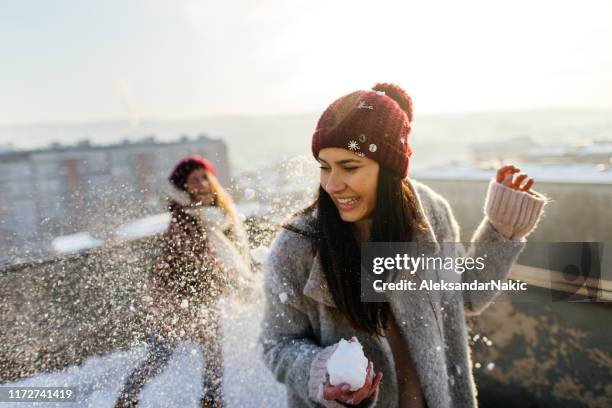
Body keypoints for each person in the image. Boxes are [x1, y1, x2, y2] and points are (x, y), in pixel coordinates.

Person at [260, 83, 548, 407]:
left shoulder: (431, 215)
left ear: (389, 169)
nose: (332, 184)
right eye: (325, 167)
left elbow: (463, 298)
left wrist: (501, 231)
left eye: (350, 167)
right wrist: (322, 373)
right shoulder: (297, 246)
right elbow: (277, 344)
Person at [115, 155, 251, 408]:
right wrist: (232, 281)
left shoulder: (215, 215)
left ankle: (211, 400)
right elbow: (200, 263)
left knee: (210, 351)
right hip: (173, 300)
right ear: (185, 188)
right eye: (194, 180)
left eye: (205, 177)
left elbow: (229, 254)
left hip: (199, 297)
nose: (202, 183)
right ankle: (126, 400)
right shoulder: (185, 219)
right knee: (161, 355)